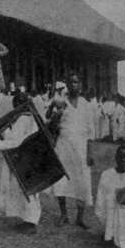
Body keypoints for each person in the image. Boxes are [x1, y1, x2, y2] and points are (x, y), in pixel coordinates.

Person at [48, 74, 94, 228]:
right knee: (62, 180)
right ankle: (64, 215)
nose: (74, 85)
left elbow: (90, 131)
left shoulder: (86, 104)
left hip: (81, 148)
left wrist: (90, 153)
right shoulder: (61, 102)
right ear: (67, 85)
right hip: (63, 146)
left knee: (82, 181)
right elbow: (52, 125)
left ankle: (80, 218)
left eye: (76, 82)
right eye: (71, 82)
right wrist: (57, 113)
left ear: (80, 85)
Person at [0, 92, 41, 234]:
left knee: (27, 190)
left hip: (24, 157)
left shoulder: (23, 119)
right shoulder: (28, 118)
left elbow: (16, 141)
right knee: (26, 189)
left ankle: (31, 222)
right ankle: (27, 220)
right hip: (27, 157)